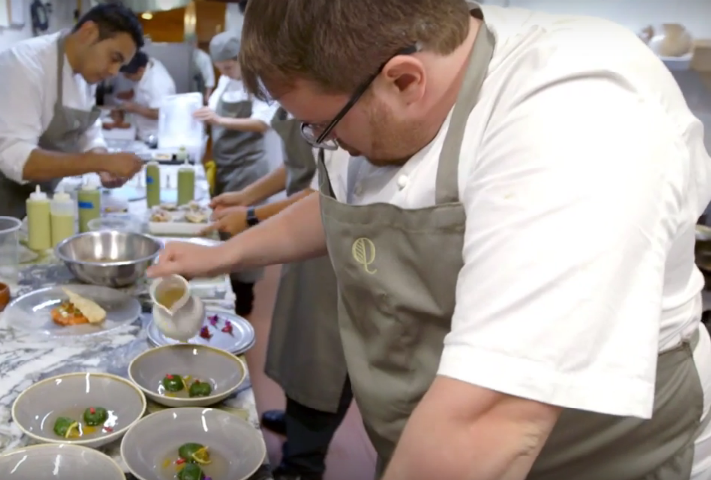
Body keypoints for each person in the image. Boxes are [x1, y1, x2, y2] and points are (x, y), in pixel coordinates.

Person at [150, 1, 711, 479]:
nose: (324, 143)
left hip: (580, 457)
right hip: (434, 436)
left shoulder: (579, 112)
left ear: (404, 80)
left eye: (323, 128)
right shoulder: (377, 99)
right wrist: (223, 253)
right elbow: (345, 204)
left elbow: (494, 418)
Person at [207, 108, 351, 480]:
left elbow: (324, 189)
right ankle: (294, 419)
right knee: (297, 340)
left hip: (334, 243)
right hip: (302, 237)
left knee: (324, 361)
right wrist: (246, 196)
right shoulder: (301, 101)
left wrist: (253, 215)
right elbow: (299, 164)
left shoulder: (339, 99)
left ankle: (303, 463)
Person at [0, 3, 145, 219]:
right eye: (114, 58)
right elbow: (16, 157)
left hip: (47, 190)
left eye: (121, 65)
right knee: (6, 253)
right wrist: (99, 162)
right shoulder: (22, 64)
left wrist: (102, 159)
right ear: (88, 32)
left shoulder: (88, 72)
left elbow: (88, 130)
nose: (114, 71)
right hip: (2, 194)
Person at [195, 31, 276, 316]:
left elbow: (261, 124)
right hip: (227, 165)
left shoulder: (258, 82)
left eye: (229, 67)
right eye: (220, 68)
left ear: (242, 59)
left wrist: (218, 119)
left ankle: (244, 300)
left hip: (248, 169)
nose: (225, 73)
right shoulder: (226, 81)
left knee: (246, 231)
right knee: (227, 230)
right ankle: (226, 287)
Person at [117, 51, 177, 141]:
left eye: (128, 75)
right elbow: (141, 85)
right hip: (142, 128)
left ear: (140, 70)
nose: (126, 77)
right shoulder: (148, 64)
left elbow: (159, 113)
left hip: (156, 135)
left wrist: (135, 108)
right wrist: (131, 93)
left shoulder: (158, 84)